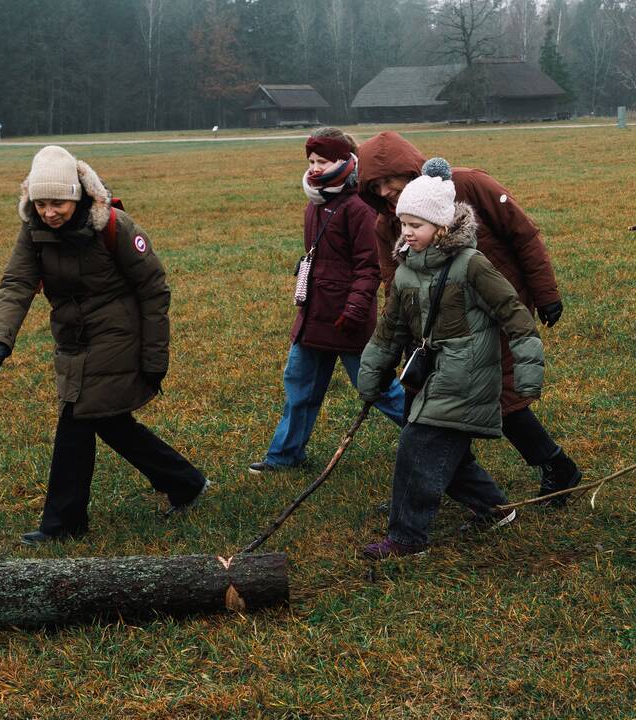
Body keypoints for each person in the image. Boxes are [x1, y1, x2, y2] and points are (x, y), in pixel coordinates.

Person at [0, 145, 209, 545]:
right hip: (73, 339)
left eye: (59, 203)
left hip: (119, 334)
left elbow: (154, 289)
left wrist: (155, 355)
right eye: (41, 203)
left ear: (78, 196)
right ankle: (185, 481)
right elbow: (16, 283)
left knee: (78, 419)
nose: (49, 212)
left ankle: (64, 524)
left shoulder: (114, 225)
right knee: (109, 420)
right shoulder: (34, 230)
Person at [357, 131, 581, 505]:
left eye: (389, 179)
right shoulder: (388, 224)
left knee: (499, 397)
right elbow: (392, 283)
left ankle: (557, 467)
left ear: (411, 168)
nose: (383, 191)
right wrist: (399, 334)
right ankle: (439, 482)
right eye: (374, 186)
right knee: (425, 404)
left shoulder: (471, 185)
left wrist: (546, 293)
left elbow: (523, 235)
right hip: (436, 330)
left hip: (494, 313)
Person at [357, 161, 544, 559]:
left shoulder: (472, 265)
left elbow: (513, 313)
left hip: (467, 377)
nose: (406, 232)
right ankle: (494, 510)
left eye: (417, 225)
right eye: (404, 223)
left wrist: (528, 369)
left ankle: (407, 540)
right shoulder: (407, 272)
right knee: (446, 454)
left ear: (441, 227)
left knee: (419, 449)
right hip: (434, 376)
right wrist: (372, 375)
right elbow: (391, 329)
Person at [249, 128, 405, 476]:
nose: (315, 168)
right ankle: (283, 456)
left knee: (378, 387)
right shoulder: (316, 202)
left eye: (323, 161)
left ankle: (431, 436)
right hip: (314, 316)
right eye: (311, 161)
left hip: (348, 318)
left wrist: (354, 308)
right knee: (299, 388)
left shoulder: (358, 206)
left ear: (344, 161)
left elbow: (370, 265)